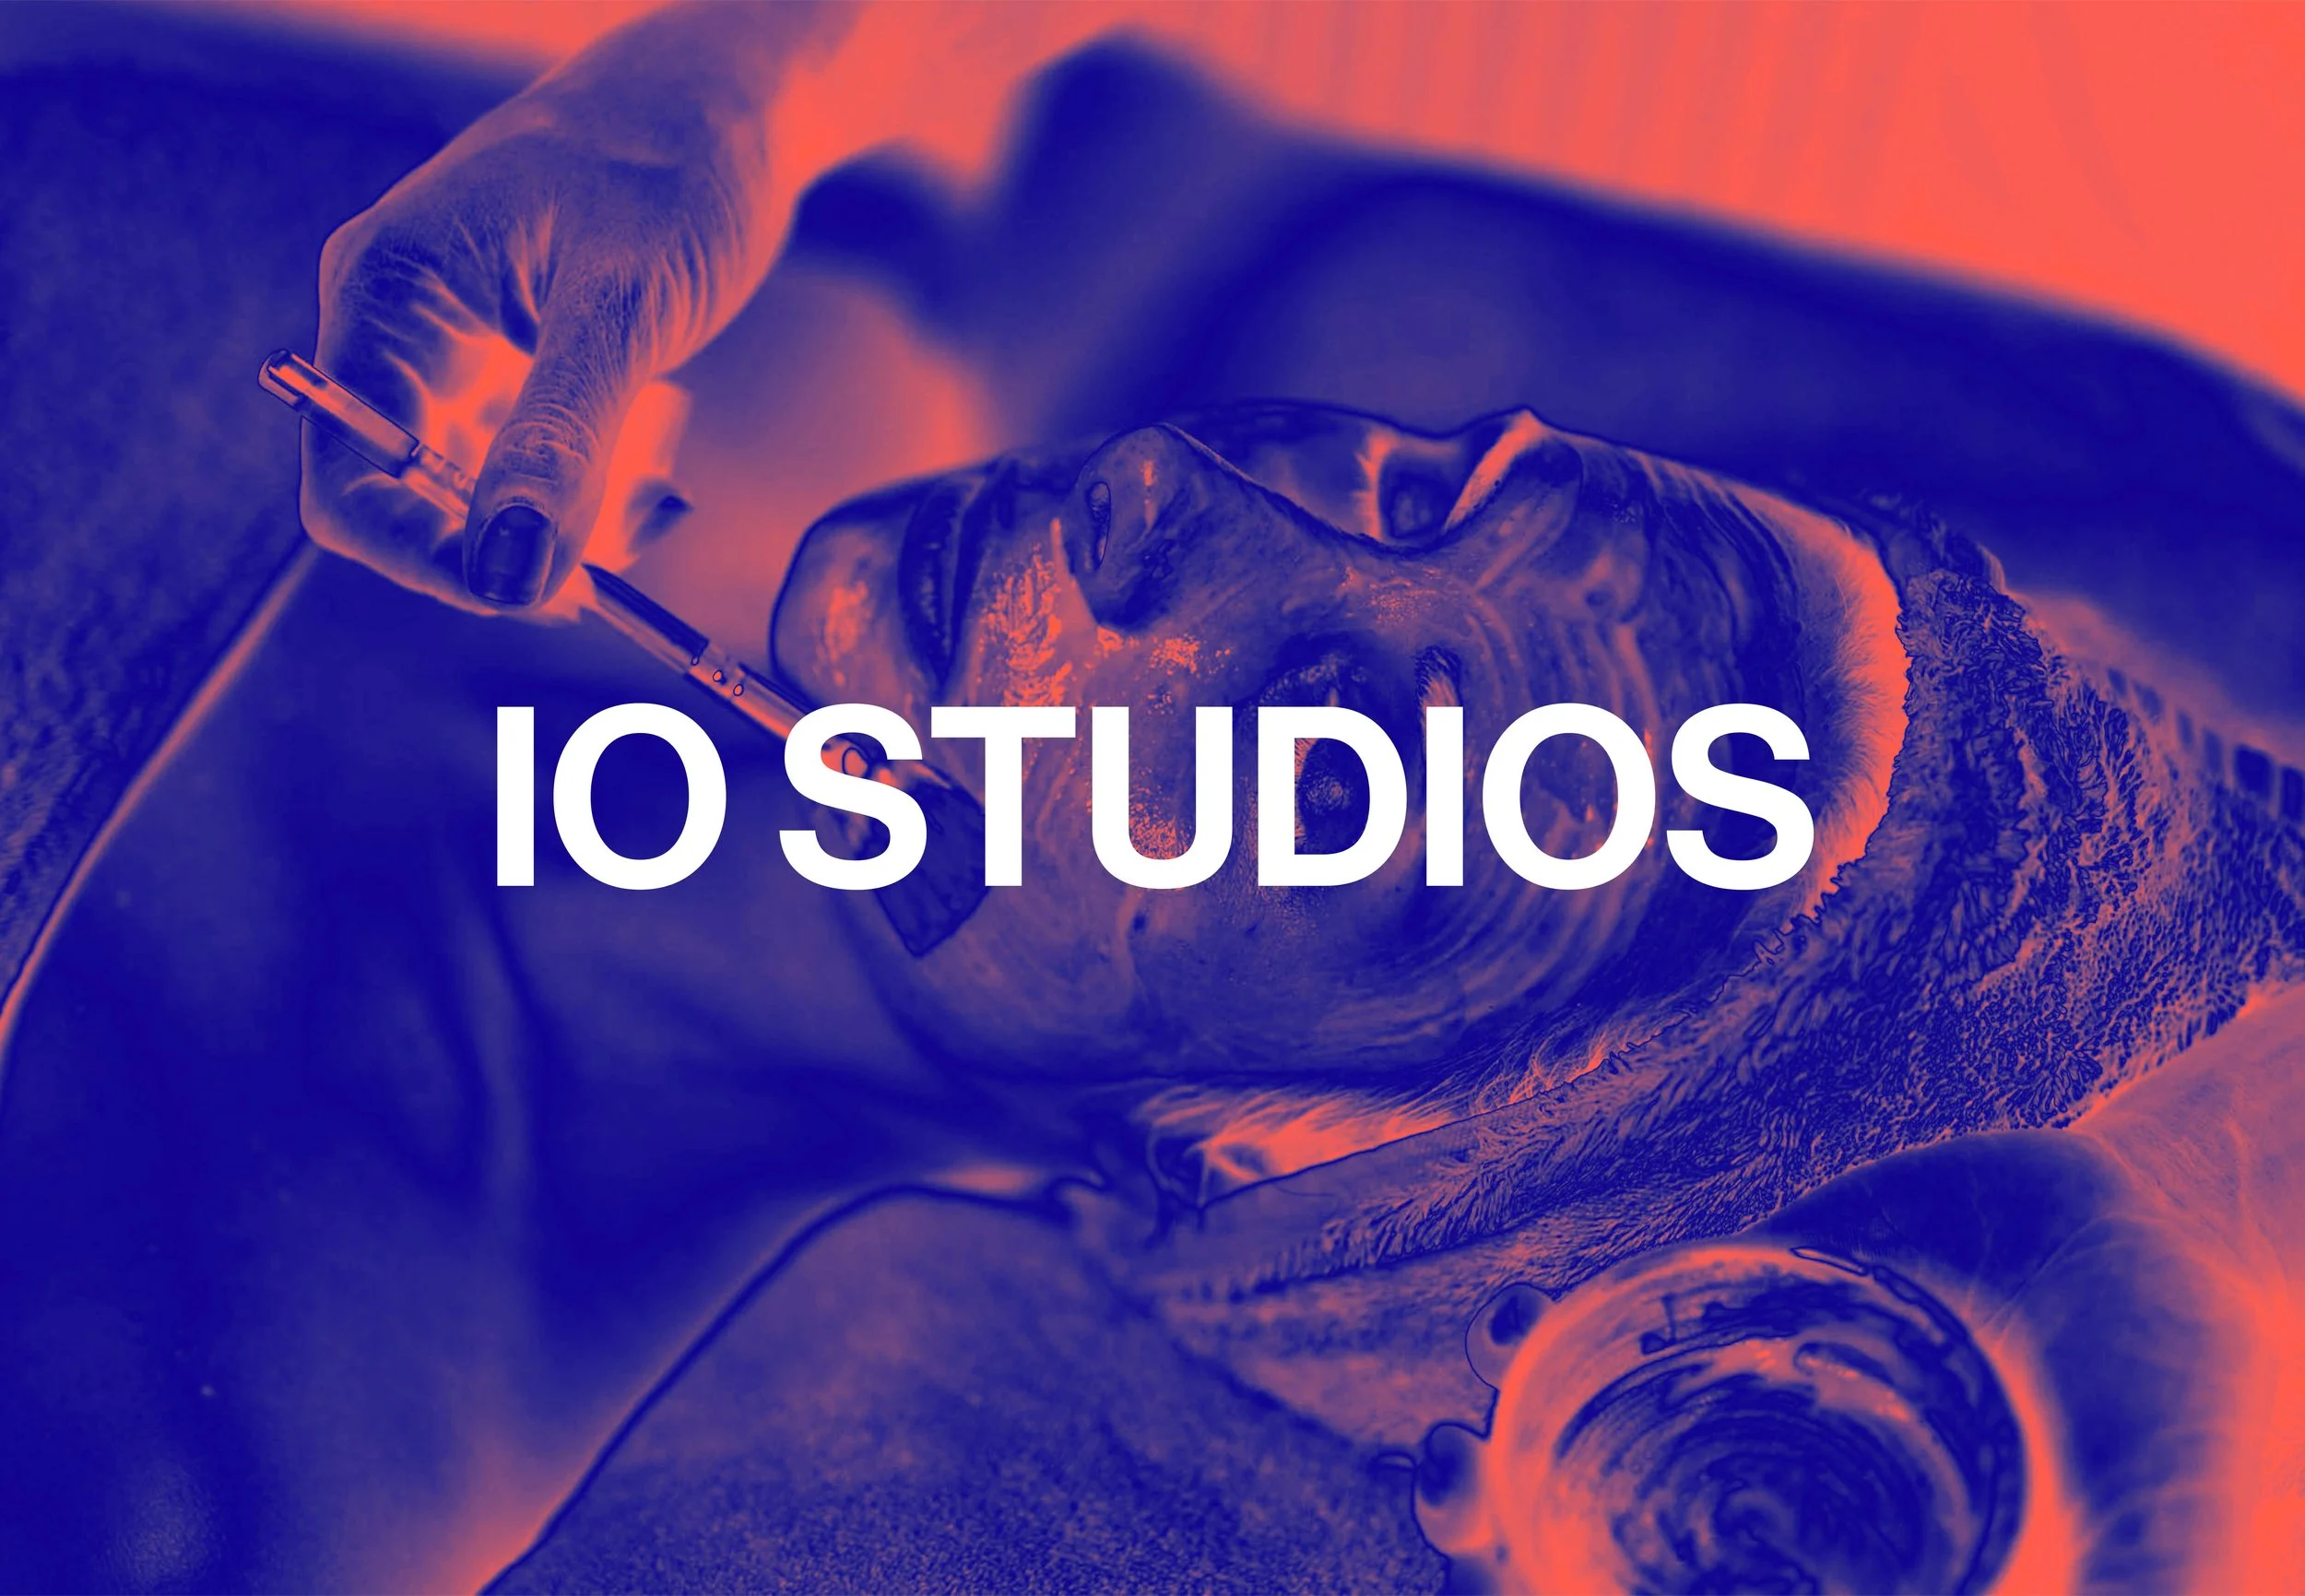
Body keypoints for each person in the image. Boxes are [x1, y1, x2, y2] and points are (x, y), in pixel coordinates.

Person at [8, 2, 2305, 1588]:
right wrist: (719, 85)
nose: (1171, 515)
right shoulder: (719, 314)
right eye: (1418, 485)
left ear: (1278, 1157)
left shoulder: (197, 1489)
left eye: (1325, 756)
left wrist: (2177, 1207)